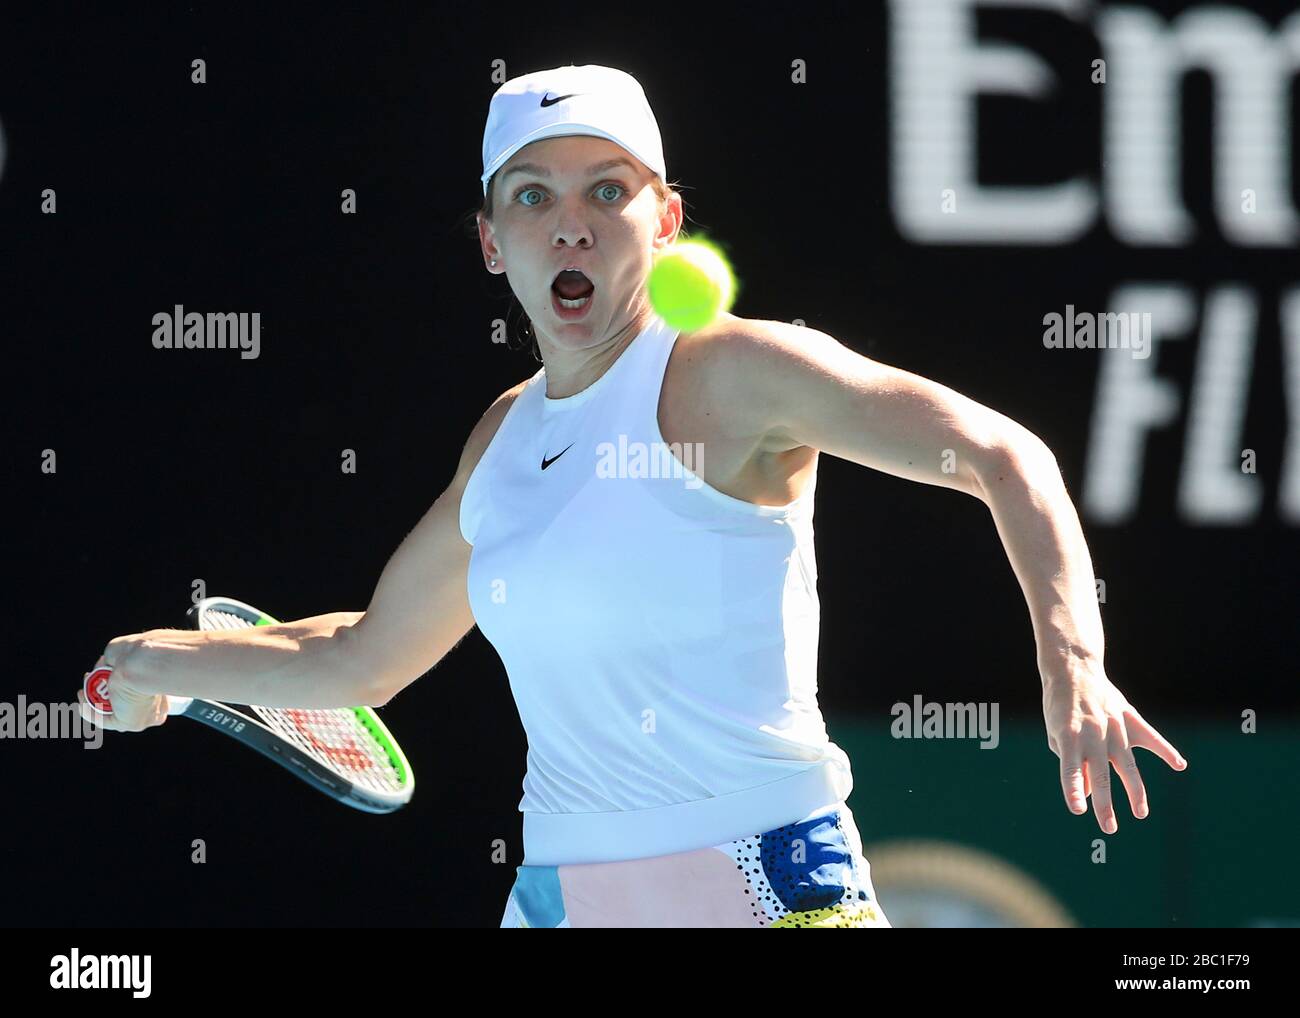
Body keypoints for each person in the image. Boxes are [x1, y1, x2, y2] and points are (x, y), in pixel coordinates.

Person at [77, 63, 1188, 929]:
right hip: (562, 896)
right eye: (532, 196)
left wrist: (1072, 661)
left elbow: (1003, 453)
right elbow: (361, 657)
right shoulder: (504, 440)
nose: (570, 222)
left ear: (663, 224)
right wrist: (157, 661)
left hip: (765, 884)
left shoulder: (734, 370)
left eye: (608, 191)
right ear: (490, 239)